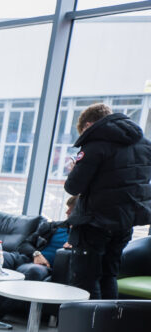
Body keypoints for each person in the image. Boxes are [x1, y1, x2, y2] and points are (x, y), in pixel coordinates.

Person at [63, 103, 151, 299]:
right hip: (124, 223)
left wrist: (75, 169)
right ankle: (108, 329)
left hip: (94, 222)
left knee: (84, 281)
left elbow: (73, 187)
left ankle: (87, 330)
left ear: (88, 125)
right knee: (108, 276)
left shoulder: (95, 145)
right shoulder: (144, 144)